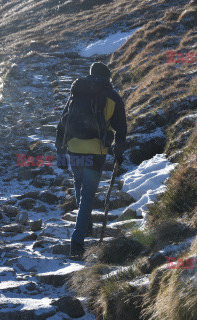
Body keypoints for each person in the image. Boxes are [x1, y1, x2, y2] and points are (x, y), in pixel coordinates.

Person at [55, 61, 127, 257]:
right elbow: (121, 129)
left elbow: (62, 122)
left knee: (79, 185)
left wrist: (60, 149)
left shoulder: (78, 91)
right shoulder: (112, 97)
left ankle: (84, 224)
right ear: (107, 77)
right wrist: (118, 152)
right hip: (96, 151)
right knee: (87, 195)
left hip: (74, 147)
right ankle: (77, 242)